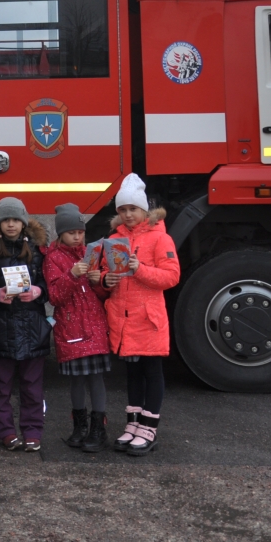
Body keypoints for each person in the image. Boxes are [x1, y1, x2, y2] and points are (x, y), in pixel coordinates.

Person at [105, 174, 180, 456]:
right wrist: (104, 280)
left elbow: (171, 277)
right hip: (124, 319)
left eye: (132, 209)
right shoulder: (114, 239)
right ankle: (133, 424)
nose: (127, 214)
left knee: (152, 371)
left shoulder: (161, 238)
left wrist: (140, 270)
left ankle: (149, 426)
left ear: (143, 210)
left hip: (147, 319)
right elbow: (104, 271)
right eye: (122, 210)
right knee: (133, 372)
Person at [0, 198, 51, 452]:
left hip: (33, 328)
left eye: (15, 220)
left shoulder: (37, 250)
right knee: (1, 387)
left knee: (32, 387)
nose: (11, 225)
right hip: (2, 327)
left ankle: (33, 431)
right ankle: (6, 431)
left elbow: (48, 286)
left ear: (23, 223)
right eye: (6, 220)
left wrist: (37, 291)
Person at [43, 203, 111, 452]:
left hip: (94, 325)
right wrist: (72, 275)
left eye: (80, 232)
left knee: (96, 378)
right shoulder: (53, 258)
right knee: (78, 381)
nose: (77, 236)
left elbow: (104, 293)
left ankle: (98, 427)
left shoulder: (92, 253)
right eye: (71, 232)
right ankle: (79, 426)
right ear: (61, 233)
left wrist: (101, 281)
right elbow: (55, 297)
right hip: (72, 330)